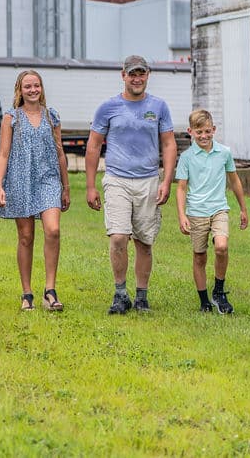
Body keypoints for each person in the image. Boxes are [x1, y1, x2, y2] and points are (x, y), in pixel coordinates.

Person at [85, 55, 177, 315]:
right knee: (118, 237)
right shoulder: (108, 107)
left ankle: (141, 296)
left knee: (144, 242)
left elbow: (169, 144)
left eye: (142, 73)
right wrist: (90, 186)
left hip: (148, 180)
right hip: (117, 179)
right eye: (132, 73)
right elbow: (93, 145)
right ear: (123, 75)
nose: (137, 78)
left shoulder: (159, 107)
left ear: (148, 75)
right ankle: (120, 293)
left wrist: (166, 180)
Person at [0, 70, 71, 312]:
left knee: (53, 229)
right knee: (26, 237)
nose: (33, 90)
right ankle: (27, 293)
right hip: (20, 179)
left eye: (36, 85)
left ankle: (50, 289)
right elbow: (3, 153)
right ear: (20, 90)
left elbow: (60, 153)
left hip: (48, 179)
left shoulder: (52, 116)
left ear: (41, 88)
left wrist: (66, 186)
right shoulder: (11, 117)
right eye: (27, 86)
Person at [174, 109, 249, 314]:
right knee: (199, 257)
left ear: (214, 129)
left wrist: (243, 209)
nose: (204, 136)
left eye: (207, 131)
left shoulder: (224, 152)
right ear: (191, 132)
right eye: (199, 132)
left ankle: (219, 291)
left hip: (219, 209)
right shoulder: (187, 157)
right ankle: (204, 301)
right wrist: (182, 215)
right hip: (196, 212)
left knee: (221, 247)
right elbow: (181, 188)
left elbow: (234, 181)